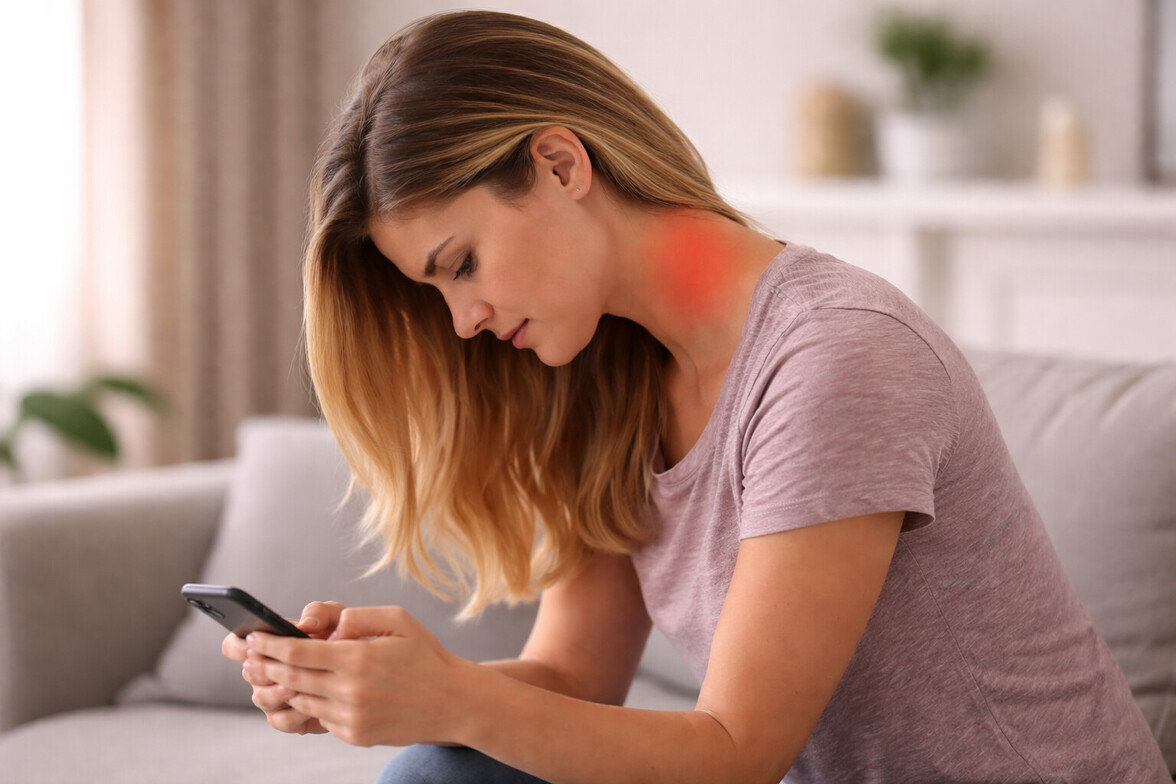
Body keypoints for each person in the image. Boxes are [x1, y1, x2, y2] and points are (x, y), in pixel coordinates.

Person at [222, 10, 1169, 783]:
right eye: (436, 291)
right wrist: (390, 688)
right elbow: (570, 677)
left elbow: (734, 753)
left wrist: (453, 700)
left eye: (461, 265)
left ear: (560, 164)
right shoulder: (607, 379)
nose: (462, 319)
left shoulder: (837, 356)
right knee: (444, 773)